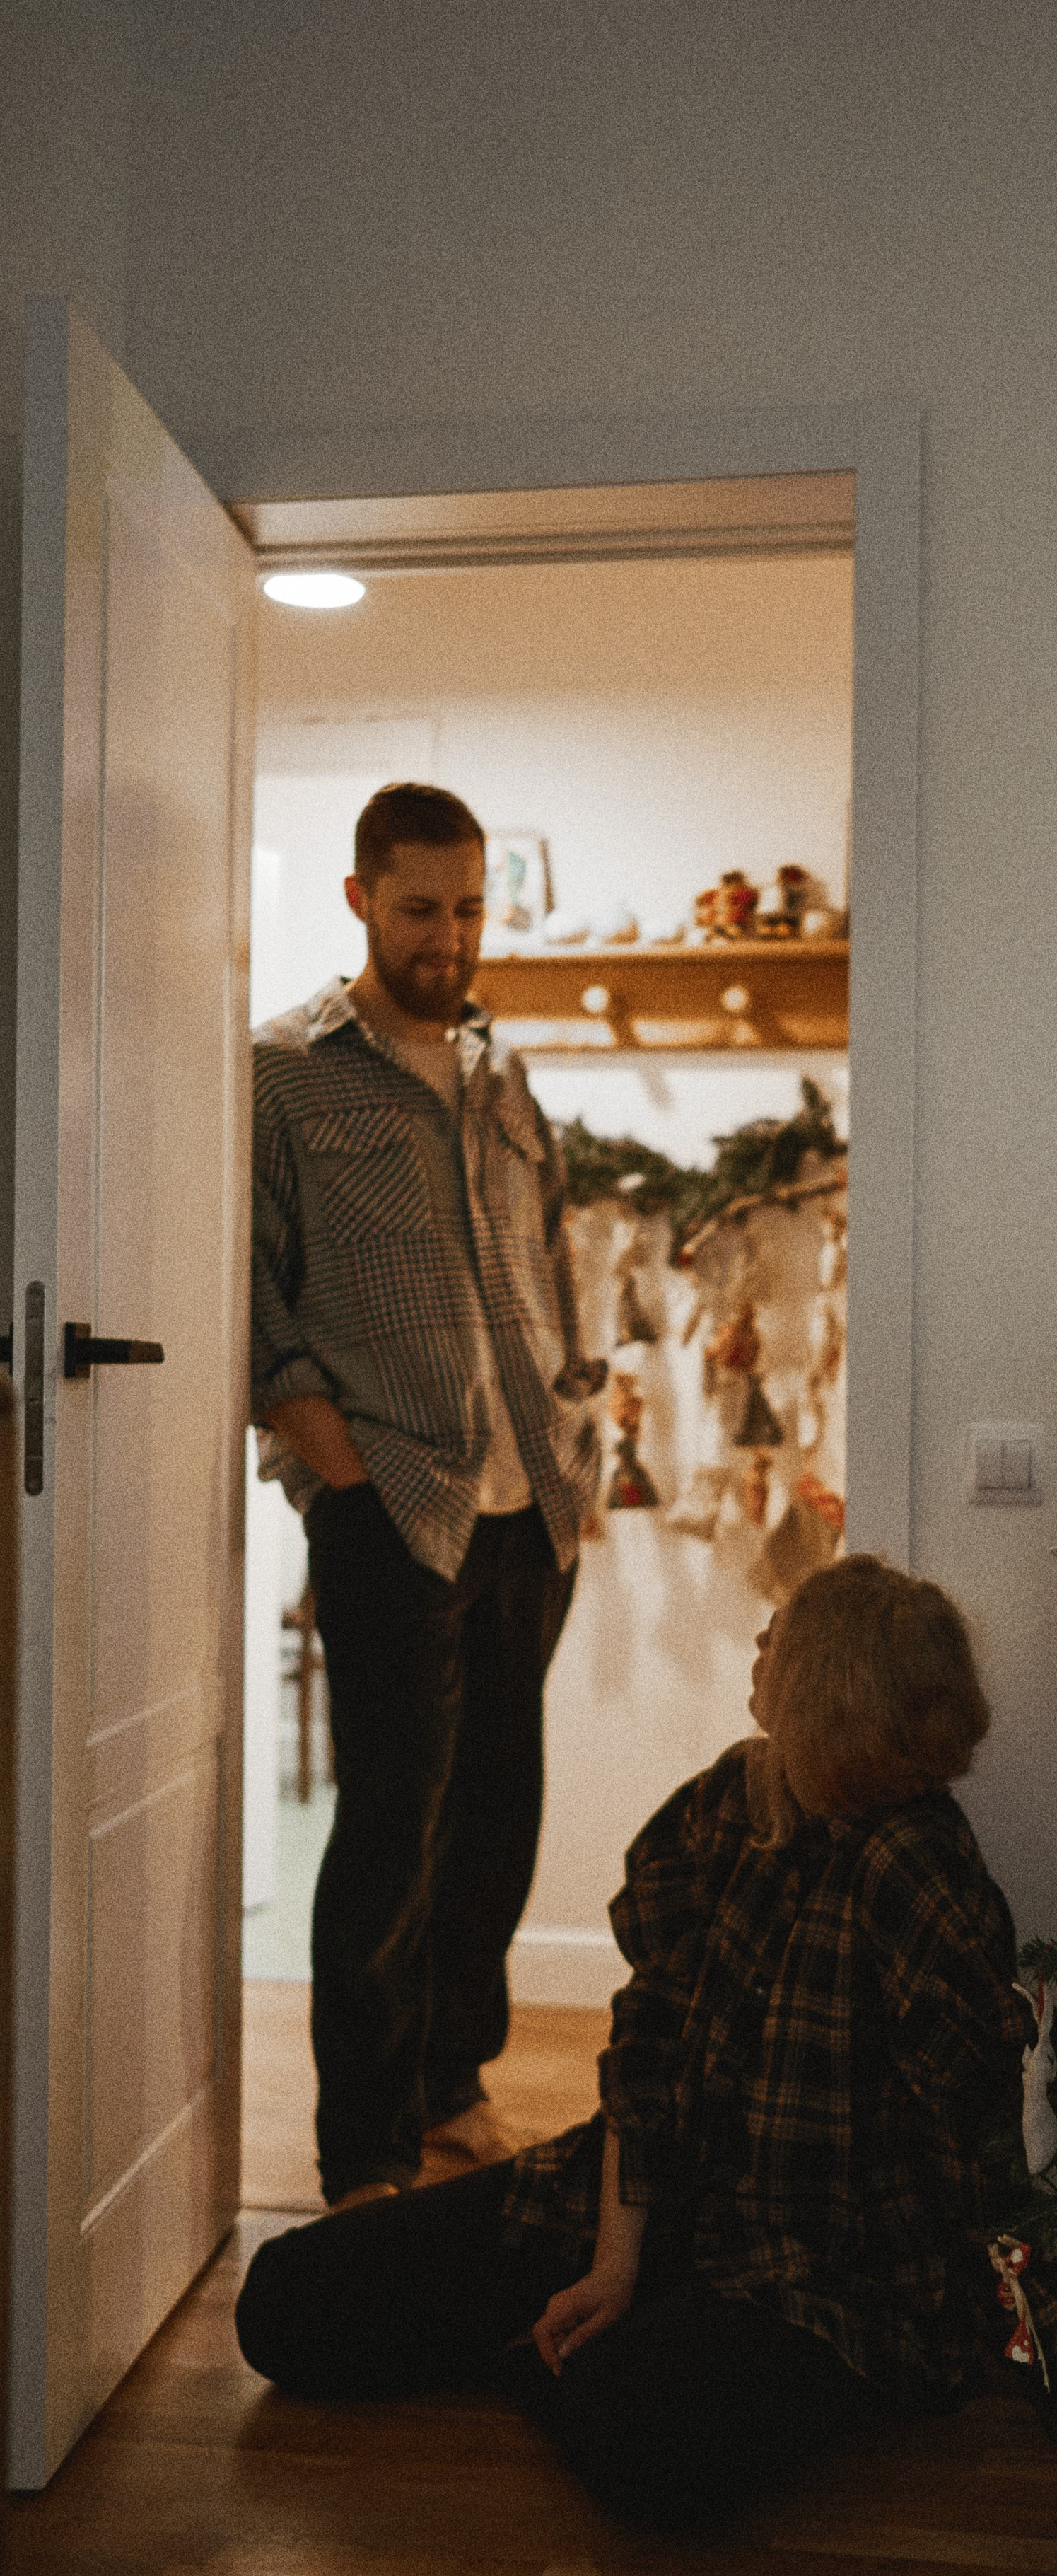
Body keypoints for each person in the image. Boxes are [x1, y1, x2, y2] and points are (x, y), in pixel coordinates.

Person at [235, 1557, 1057, 2527]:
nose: (758, 1645)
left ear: (828, 1694)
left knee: (655, 2448)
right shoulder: (732, 1799)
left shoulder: (918, 1875)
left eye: (781, 1638)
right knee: (283, 2305)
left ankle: (567, 2353)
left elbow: (983, 2157)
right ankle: (600, 2329)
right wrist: (614, 2265)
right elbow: (646, 2045)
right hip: (645, 2205)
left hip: (821, 2279)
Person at [251, 782, 605, 2211]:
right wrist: (329, 1457)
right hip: (390, 1502)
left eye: (466, 908)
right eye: (418, 909)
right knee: (391, 1825)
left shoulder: (503, 1078)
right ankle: (366, 2150)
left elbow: (554, 1263)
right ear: (358, 903)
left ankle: (453, 2085)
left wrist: (583, 1421)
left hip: (531, 1509)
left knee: (497, 1816)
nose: (447, 937)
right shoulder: (283, 1074)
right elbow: (251, 1289)